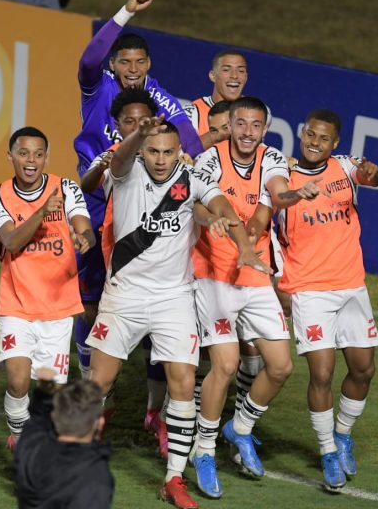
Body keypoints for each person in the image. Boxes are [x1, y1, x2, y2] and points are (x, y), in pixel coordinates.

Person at [86, 116, 269, 509]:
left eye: (168, 151)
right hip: (125, 295)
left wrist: (243, 244)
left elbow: (219, 204)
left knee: (183, 383)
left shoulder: (190, 175)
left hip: (174, 297)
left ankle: (174, 479)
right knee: (98, 383)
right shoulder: (127, 171)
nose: (161, 159)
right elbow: (118, 160)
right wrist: (138, 135)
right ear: (143, 148)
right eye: (154, 150)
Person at [189, 97, 321, 498]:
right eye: (240, 124)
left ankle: (240, 427)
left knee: (281, 367)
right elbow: (205, 205)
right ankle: (204, 449)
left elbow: (274, 199)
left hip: (254, 271)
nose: (247, 132)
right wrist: (223, 228)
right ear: (229, 124)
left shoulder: (273, 159)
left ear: (265, 129)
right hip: (212, 273)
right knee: (226, 366)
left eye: (256, 125)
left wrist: (294, 197)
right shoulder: (209, 158)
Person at [74, 0, 205, 392]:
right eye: (125, 62)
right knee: (91, 301)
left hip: (134, 205)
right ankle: (91, 382)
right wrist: (126, 11)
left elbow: (189, 136)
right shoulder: (98, 89)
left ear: (149, 65)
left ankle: (154, 403)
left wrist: (190, 157)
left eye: (140, 62)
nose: (132, 70)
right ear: (114, 64)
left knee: (143, 291)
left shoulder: (156, 95)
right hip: (96, 202)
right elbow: (87, 60)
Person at [275, 109, 378, 491]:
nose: (314, 143)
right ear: (302, 133)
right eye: (310, 135)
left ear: (335, 143)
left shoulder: (344, 167)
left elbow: (374, 177)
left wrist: (372, 172)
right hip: (309, 288)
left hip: (352, 285)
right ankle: (327, 452)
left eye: (323, 138)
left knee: (363, 369)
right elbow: (271, 208)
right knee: (321, 373)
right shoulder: (282, 173)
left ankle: (343, 434)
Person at [0, 127, 94, 450]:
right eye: (23, 153)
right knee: (18, 381)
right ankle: (21, 440)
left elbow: (83, 226)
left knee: (48, 391)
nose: (31, 161)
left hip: (58, 308)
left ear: (46, 157)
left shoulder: (67, 189)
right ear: (10, 156)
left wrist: (83, 239)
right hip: (16, 304)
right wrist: (41, 213)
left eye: (38, 154)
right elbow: (10, 240)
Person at [79, 87, 170, 457]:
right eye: (128, 121)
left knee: (161, 341)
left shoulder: (168, 156)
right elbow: (86, 184)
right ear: (117, 125)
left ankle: (155, 412)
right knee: (94, 320)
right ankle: (102, 403)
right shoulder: (115, 155)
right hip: (113, 256)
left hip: (159, 264)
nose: (136, 125)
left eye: (142, 120)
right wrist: (102, 164)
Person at [14, 368, 113, 508]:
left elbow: (37, 421)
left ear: (54, 417)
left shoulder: (31, 447)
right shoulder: (95, 475)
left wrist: (43, 392)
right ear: (100, 423)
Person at [184, 49, 248, 144]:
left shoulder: (254, 111)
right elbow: (184, 154)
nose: (234, 76)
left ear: (246, 77)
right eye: (226, 70)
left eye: (241, 71)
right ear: (213, 76)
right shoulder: (192, 112)